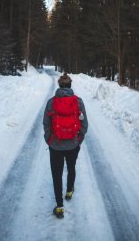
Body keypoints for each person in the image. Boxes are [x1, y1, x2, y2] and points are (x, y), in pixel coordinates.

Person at [43, 72, 88, 218]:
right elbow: (84, 124)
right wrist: (78, 139)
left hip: (55, 145)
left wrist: (49, 140)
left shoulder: (51, 102)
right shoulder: (79, 102)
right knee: (71, 167)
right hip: (72, 144)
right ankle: (69, 191)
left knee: (56, 175)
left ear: (59, 85)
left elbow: (46, 124)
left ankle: (60, 207)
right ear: (70, 85)